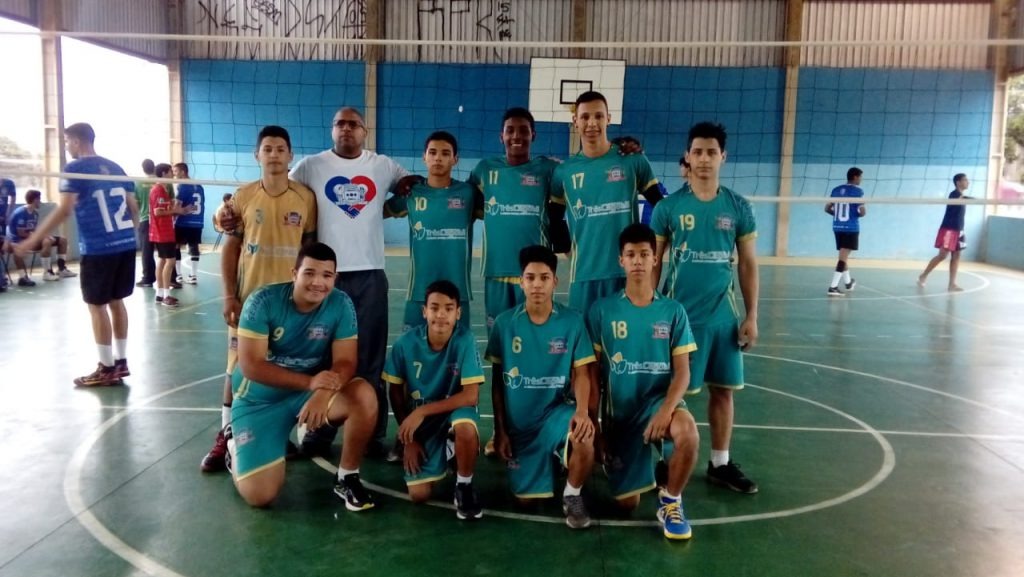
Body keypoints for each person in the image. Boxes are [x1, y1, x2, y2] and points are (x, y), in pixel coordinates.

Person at [290, 106, 420, 460]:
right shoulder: (309, 166)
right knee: (321, 355)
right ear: (331, 130)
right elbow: (285, 199)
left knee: (370, 359)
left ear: (365, 131)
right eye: (339, 124)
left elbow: (411, 190)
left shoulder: (382, 165)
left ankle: (372, 432)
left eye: (354, 124)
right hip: (324, 277)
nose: (346, 129)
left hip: (369, 274)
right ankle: (317, 429)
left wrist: (389, 208)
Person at [650, 121, 760, 495]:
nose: (704, 159)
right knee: (672, 394)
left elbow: (747, 263)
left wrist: (751, 316)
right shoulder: (669, 207)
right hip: (680, 319)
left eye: (711, 152)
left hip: (723, 318)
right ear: (687, 156)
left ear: (723, 157)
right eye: (697, 151)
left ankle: (720, 462)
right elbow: (655, 261)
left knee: (723, 391)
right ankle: (665, 463)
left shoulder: (738, 207)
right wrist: (649, 312)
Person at [200, 125, 318, 474]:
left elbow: (310, 251)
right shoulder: (243, 196)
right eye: (268, 149)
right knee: (235, 369)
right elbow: (231, 247)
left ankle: (279, 434)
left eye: (281, 149)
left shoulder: (305, 198)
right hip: (251, 302)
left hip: (291, 305)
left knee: (286, 367)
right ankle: (226, 435)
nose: (274, 155)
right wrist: (229, 295)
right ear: (257, 155)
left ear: (291, 155)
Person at [229, 242, 378, 509]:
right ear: (294, 273)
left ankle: (347, 477)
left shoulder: (341, 303)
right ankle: (234, 446)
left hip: (310, 393)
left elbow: (346, 361)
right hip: (260, 401)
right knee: (260, 496)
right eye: (309, 273)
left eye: (326, 275)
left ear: (335, 278)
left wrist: (322, 392)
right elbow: (251, 365)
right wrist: (310, 382)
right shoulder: (262, 301)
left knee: (363, 396)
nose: (317, 282)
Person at [587, 224, 699, 540]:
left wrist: (666, 411)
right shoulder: (602, 311)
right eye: (631, 255)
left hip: (659, 404)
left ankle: (671, 500)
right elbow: (593, 376)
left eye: (644, 254)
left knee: (688, 434)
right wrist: (597, 430)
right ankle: (640, 463)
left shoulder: (673, 311)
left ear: (654, 259)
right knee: (626, 504)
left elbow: (683, 374)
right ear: (621, 260)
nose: (638, 261)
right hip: (620, 415)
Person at [16, 123, 139, 386]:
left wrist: (33, 241)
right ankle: (121, 362)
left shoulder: (75, 169)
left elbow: (64, 210)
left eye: (66, 141)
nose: (65, 146)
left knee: (97, 306)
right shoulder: (117, 168)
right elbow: (133, 206)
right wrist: (133, 235)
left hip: (99, 247)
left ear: (76, 141)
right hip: (126, 243)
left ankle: (106, 368)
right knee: (117, 302)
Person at [486, 245, 596, 529]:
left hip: (555, 416)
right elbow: (498, 383)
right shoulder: (504, 324)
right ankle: (553, 461)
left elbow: (582, 373)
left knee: (584, 434)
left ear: (554, 282)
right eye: (531, 277)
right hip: (520, 428)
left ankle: (572, 494)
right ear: (521, 281)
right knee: (525, 502)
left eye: (544, 277)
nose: (537, 284)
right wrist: (500, 431)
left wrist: (583, 411)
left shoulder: (571, 321)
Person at [549, 91, 664, 314]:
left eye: (599, 116)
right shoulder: (564, 172)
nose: (592, 123)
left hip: (626, 274)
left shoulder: (633, 160)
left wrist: (649, 252)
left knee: (626, 347)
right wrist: (569, 251)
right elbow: (553, 217)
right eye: (585, 117)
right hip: (583, 277)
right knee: (586, 348)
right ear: (575, 121)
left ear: (608, 119)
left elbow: (661, 206)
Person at [382, 280, 485, 520]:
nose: (441, 315)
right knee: (418, 495)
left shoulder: (465, 340)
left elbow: (471, 395)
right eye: (435, 307)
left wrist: (422, 411)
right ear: (424, 311)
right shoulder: (405, 345)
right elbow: (395, 391)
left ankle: (464, 485)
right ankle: (450, 451)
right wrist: (408, 439)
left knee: (466, 427)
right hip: (423, 427)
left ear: (458, 313)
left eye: (449, 308)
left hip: (454, 413)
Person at [385, 131, 481, 332]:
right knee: (412, 350)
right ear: (424, 156)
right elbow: (376, 212)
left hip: (458, 292)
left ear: (455, 159)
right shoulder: (411, 193)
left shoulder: (468, 193)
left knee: (457, 354)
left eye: (446, 153)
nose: (438, 157)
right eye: (433, 152)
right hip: (418, 291)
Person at [5, 189, 75, 284]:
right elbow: (21, 233)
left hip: (30, 240)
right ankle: (45, 273)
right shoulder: (20, 213)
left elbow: (33, 231)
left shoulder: (35, 214)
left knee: (62, 240)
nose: (40, 202)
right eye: (39, 199)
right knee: (47, 241)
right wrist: (39, 237)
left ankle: (61, 269)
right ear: (35, 200)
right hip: (18, 241)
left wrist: (43, 235)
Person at [918, 174, 971, 292]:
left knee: (956, 256)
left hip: (959, 230)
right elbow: (957, 200)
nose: (968, 182)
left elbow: (964, 199)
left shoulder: (962, 196)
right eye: (965, 180)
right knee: (942, 255)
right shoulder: (954, 194)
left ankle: (952, 284)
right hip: (949, 230)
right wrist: (968, 199)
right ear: (958, 182)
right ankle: (923, 275)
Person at [825, 167, 866, 296]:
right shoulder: (858, 191)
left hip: (837, 227)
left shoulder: (836, 190)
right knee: (843, 257)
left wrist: (838, 216)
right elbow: (863, 212)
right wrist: (853, 216)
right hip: (851, 228)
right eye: (860, 177)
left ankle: (848, 283)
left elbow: (827, 208)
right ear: (855, 177)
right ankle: (833, 287)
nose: (861, 180)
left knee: (843, 255)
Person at [149, 163, 182, 307]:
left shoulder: (162, 189)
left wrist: (173, 205)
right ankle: (166, 296)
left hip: (161, 232)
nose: (172, 175)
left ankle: (160, 294)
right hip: (163, 232)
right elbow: (158, 212)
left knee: (162, 261)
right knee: (170, 261)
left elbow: (161, 209)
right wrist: (176, 211)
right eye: (170, 172)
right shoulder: (158, 190)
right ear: (163, 173)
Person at [172, 162, 205, 285]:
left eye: (176, 171)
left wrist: (172, 211)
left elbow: (177, 205)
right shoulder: (199, 186)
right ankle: (193, 275)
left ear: (183, 172)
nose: (174, 175)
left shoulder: (182, 186)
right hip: (198, 222)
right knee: (194, 247)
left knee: (176, 246)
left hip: (184, 221)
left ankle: (179, 275)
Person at [135, 159, 157, 287]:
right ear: (154, 167)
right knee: (167, 251)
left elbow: (136, 203)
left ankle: (148, 278)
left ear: (143, 169)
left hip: (145, 220)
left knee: (146, 251)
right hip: (162, 220)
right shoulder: (163, 181)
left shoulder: (138, 183)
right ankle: (172, 278)